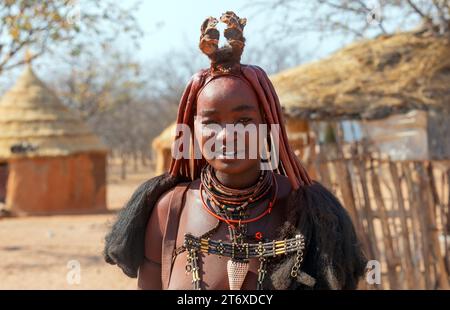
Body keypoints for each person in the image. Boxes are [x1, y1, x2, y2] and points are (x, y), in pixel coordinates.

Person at [104, 11, 367, 290]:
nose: (228, 136)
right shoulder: (168, 211)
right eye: (212, 122)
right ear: (193, 130)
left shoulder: (306, 214)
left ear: (267, 125)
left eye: (243, 121)